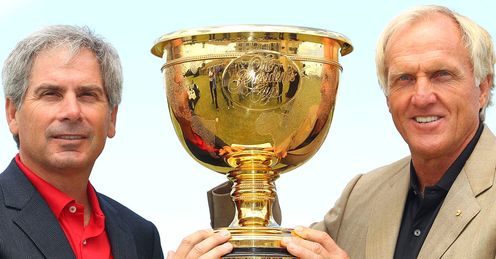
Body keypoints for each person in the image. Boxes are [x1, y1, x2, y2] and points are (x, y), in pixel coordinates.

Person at [167, 5, 496, 259]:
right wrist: (241, 197)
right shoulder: (363, 193)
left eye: (442, 75)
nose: (422, 96)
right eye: (404, 79)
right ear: (387, 95)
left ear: (482, 88)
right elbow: (277, 249)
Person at [0, 25, 164, 258]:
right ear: (13, 114)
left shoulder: (141, 235)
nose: (72, 111)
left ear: (112, 118)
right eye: (51, 94)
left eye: (87, 95)